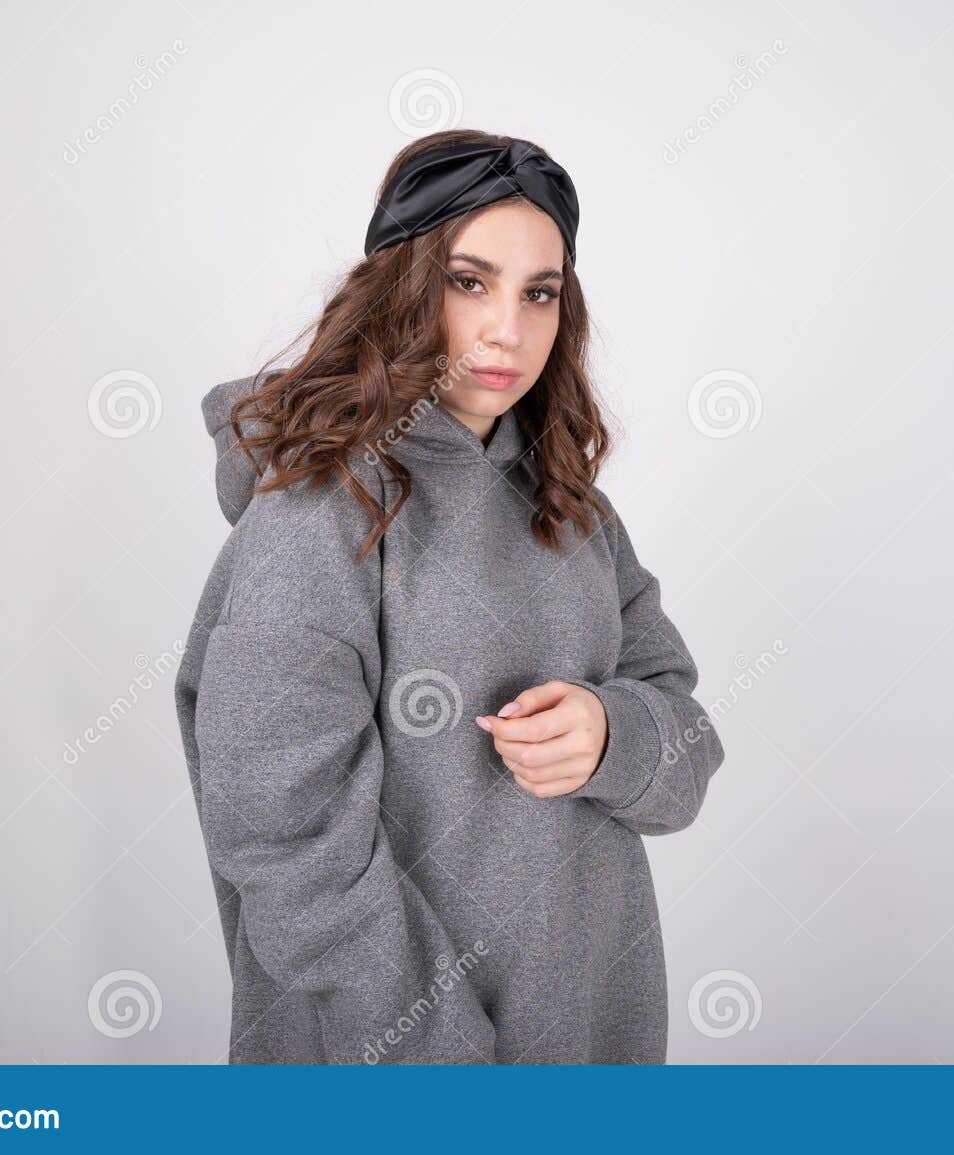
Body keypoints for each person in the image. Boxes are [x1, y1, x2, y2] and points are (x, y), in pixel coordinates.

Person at [173, 129, 725, 1064]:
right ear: (400, 283)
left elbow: (689, 750)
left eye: (538, 292)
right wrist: (435, 1057)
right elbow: (283, 841)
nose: (508, 329)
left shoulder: (577, 511)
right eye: (469, 282)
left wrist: (610, 730)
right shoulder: (318, 509)